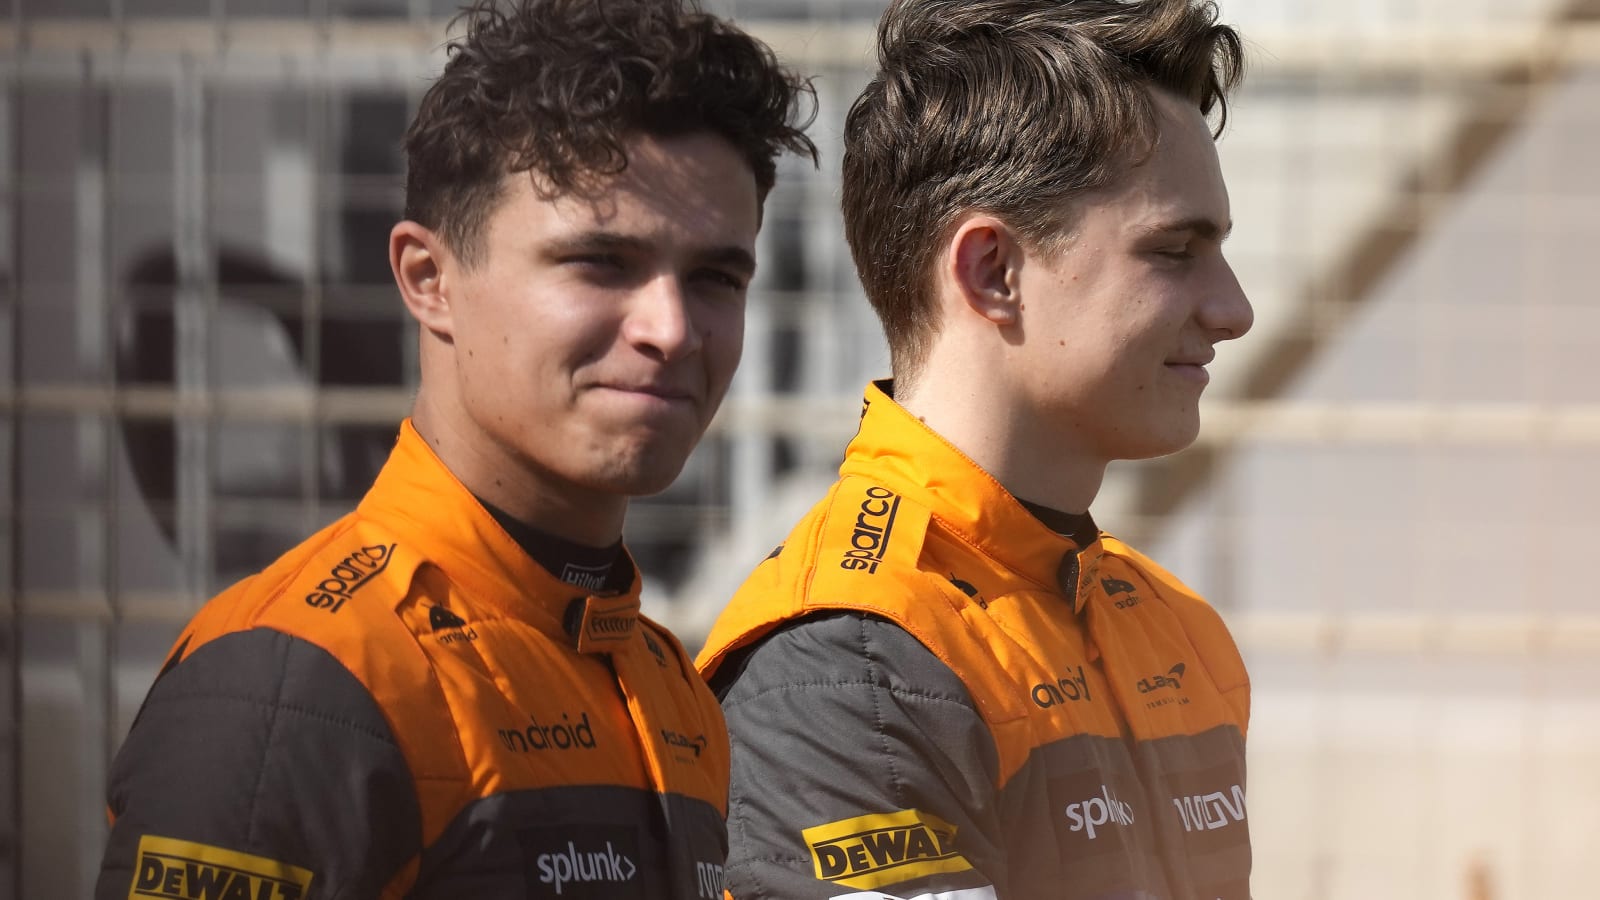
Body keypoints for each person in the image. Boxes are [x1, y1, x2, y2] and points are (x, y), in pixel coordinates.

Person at [96, 0, 814, 897]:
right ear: (428, 279)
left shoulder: (670, 684)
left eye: (715, 278)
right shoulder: (300, 679)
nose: (670, 329)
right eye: (601, 262)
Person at [696, 0, 1253, 897]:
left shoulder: (1173, 626)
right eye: (1175, 251)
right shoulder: (852, 662)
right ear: (993, 271)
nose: (1234, 310)